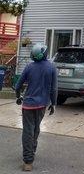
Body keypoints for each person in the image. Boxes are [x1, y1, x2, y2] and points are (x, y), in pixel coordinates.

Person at [15, 44, 57, 172]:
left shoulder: (29, 67)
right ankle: (31, 151)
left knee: (28, 130)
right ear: (44, 54)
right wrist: (53, 104)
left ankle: (28, 161)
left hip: (28, 105)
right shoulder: (52, 68)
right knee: (36, 129)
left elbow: (18, 86)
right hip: (42, 105)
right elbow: (54, 89)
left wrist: (18, 97)